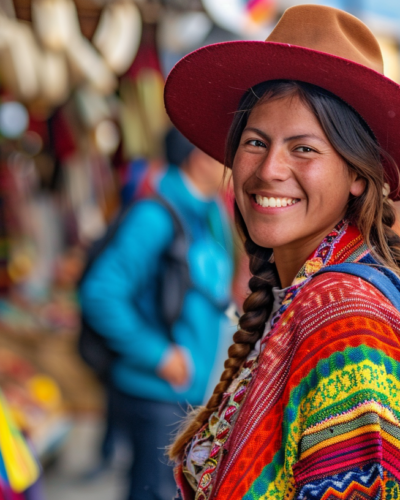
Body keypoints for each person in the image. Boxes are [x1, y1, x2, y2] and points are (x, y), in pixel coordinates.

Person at [163, 5, 400, 500]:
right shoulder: (301, 294)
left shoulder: (344, 320)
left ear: (358, 174)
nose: (269, 169)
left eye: (304, 149)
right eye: (255, 141)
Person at [79, 129, 234, 500]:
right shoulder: (155, 215)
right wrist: (159, 355)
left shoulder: (210, 212)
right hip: (156, 396)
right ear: (199, 158)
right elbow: (100, 293)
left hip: (189, 394)